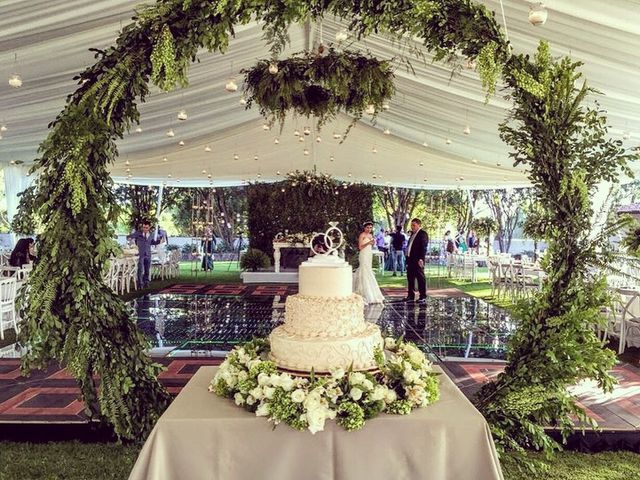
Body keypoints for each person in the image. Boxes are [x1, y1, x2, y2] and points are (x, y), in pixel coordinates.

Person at [353, 222, 384, 305]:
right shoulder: (362, 235)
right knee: (364, 270)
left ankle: (370, 290)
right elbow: (360, 247)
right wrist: (368, 243)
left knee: (368, 270)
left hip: (369, 254)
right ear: (364, 228)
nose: (369, 229)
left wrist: (373, 243)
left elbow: (372, 244)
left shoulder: (370, 236)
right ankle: (363, 291)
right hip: (363, 254)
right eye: (368, 227)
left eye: (370, 228)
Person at [127, 219, 162, 289]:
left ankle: (146, 282)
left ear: (149, 227)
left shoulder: (152, 234)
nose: (145, 229)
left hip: (148, 254)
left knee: (147, 269)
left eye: (146, 228)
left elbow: (152, 242)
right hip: (141, 254)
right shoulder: (138, 233)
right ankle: (140, 284)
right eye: (143, 227)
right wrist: (130, 238)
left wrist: (159, 241)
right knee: (140, 269)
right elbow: (129, 237)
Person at [405, 218, 429, 303]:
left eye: (414, 225)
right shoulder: (412, 234)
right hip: (410, 259)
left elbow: (423, 247)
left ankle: (422, 296)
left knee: (420, 278)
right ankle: (411, 295)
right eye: (411, 225)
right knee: (410, 277)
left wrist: (421, 259)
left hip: (418, 260)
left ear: (419, 225)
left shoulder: (422, 234)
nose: (412, 227)